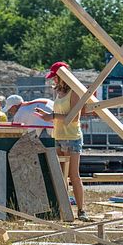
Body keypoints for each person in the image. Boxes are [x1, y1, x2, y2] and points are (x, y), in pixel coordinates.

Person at [33, 62, 96, 221]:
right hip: (59, 136)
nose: (53, 80)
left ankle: (81, 210)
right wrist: (48, 114)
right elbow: (60, 114)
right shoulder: (59, 92)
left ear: (62, 76)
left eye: (54, 77)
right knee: (61, 176)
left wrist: (51, 116)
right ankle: (64, 210)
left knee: (74, 176)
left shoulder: (74, 92)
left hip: (72, 137)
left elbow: (73, 118)